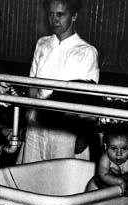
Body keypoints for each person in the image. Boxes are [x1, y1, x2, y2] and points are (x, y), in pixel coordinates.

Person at [17, 0, 99, 163]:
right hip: (37, 124)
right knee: (30, 174)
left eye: (60, 14)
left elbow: (88, 97)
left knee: (60, 177)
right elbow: (32, 84)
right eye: (51, 14)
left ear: (74, 16)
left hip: (66, 128)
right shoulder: (42, 44)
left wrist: (84, 134)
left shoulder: (86, 52)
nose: (55, 20)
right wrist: (26, 120)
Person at [85, 126, 128, 194]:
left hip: (120, 187)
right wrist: (120, 181)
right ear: (105, 147)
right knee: (89, 193)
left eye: (124, 149)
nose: (119, 153)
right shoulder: (105, 158)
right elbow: (103, 174)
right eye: (113, 148)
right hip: (99, 185)